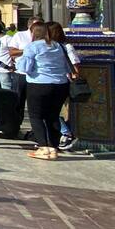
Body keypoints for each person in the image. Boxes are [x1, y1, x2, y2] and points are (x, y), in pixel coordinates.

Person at [19, 21, 71, 160]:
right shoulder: (58, 46)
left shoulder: (33, 46)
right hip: (60, 84)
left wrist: (19, 61)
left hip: (39, 84)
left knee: (36, 116)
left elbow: (25, 68)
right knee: (53, 116)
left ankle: (43, 147)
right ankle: (53, 147)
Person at [50, 22, 81, 151]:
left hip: (64, 82)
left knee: (55, 110)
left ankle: (66, 133)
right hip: (54, 81)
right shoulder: (52, 46)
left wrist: (73, 75)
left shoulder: (66, 47)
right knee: (53, 110)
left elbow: (75, 66)